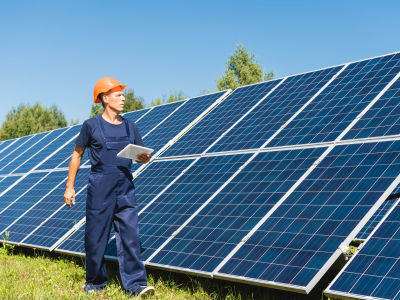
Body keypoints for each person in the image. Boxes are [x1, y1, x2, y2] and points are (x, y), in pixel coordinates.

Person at [63, 77, 154, 298]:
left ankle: (137, 285)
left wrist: (143, 158)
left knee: (130, 235)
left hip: (125, 185)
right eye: (118, 95)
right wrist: (69, 186)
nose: (124, 98)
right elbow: (77, 155)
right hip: (100, 185)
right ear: (105, 98)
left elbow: (143, 156)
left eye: (123, 95)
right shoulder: (91, 125)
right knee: (95, 237)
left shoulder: (130, 126)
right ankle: (95, 283)